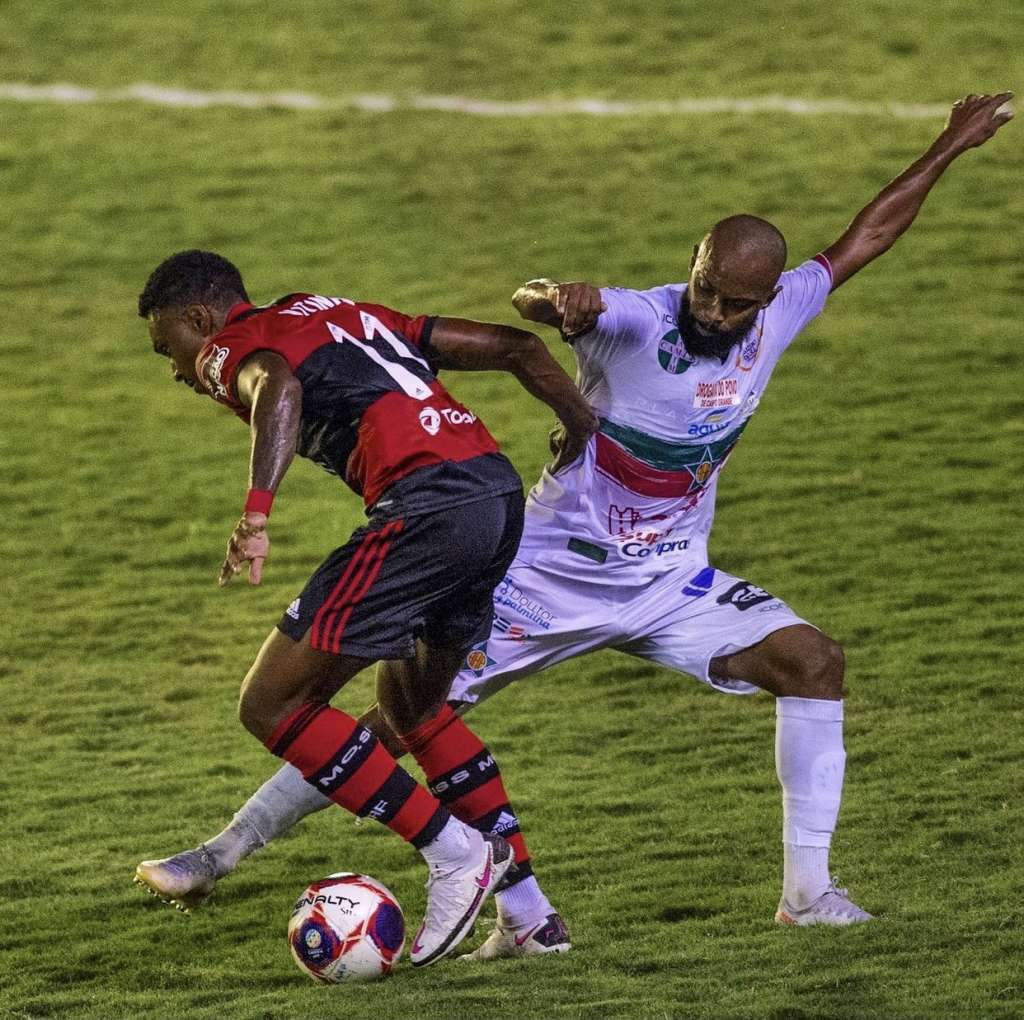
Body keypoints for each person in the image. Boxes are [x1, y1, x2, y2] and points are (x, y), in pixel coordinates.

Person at [134, 93, 1013, 952]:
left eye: (733, 305)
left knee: (815, 662)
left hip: (668, 579)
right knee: (398, 717)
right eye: (705, 291)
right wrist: (560, 300)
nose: (713, 314)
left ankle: (808, 896)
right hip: (542, 572)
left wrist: (948, 148)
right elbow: (531, 306)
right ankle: (226, 850)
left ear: (767, 297)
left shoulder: (779, 311)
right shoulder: (637, 317)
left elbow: (866, 236)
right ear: (694, 269)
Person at [133, 250, 598, 968]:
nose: (176, 368)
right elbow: (516, 347)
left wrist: (256, 516)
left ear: (201, 318)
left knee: (272, 704)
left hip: (426, 511)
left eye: (170, 346)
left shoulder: (228, 348)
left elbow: (277, 388)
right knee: (413, 706)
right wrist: (581, 427)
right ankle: (531, 918)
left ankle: (456, 853)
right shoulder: (345, 314)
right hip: (494, 499)